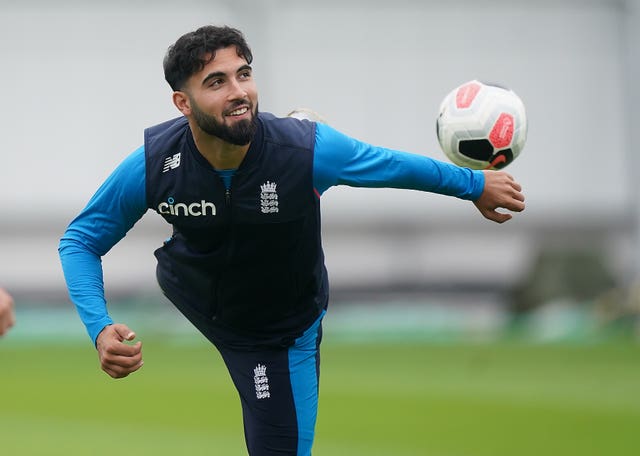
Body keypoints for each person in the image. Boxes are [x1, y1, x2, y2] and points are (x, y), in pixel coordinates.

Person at [58, 25, 525, 456]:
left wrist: (474, 185)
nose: (239, 91)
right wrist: (99, 327)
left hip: (277, 332)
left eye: (244, 75)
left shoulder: (307, 150)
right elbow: (80, 240)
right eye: (217, 82)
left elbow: (391, 165)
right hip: (197, 296)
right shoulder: (155, 163)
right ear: (183, 104)